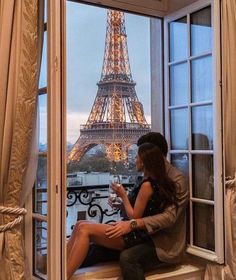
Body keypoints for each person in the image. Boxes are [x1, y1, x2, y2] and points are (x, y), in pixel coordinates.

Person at [67, 142, 178, 279]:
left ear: (144, 162)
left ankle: (63, 275)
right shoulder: (157, 182)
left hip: (134, 235)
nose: (134, 159)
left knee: (84, 229)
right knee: (80, 224)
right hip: (139, 233)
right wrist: (122, 203)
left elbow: (134, 216)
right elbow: (144, 211)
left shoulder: (147, 186)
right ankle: (61, 268)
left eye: (137, 157)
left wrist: (123, 195)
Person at [105, 132, 189, 280]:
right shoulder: (147, 176)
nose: (137, 158)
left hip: (163, 242)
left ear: (152, 153)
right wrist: (122, 206)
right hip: (143, 234)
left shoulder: (177, 179)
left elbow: (169, 217)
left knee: (128, 258)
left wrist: (133, 223)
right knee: (97, 247)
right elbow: (138, 211)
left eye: (141, 153)